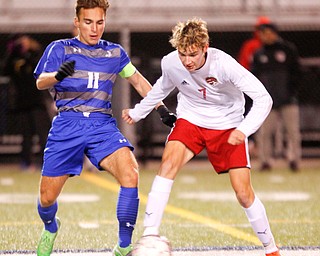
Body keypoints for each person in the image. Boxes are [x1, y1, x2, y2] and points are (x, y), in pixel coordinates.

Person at [122, 18, 281, 256]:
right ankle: (149, 236)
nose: (187, 61)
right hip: (191, 120)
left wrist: (244, 129)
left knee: (243, 193)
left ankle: (271, 248)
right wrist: (138, 112)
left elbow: (263, 98)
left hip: (228, 126)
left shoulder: (224, 64)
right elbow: (160, 90)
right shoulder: (172, 63)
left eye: (193, 54)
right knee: (167, 165)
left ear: (205, 47)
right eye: (182, 54)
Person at [33, 1, 176, 256]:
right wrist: (57, 76)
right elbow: (41, 82)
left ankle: (123, 247)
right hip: (67, 124)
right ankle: (51, 226)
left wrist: (161, 109)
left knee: (130, 173)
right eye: (88, 22)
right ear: (77, 22)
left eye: (100, 22)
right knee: (46, 198)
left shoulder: (115, 53)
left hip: (101, 125)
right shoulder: (60, 49)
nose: (94, 28)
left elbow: (138, 80)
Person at [252, 22, 301, 172]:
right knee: (265, 133)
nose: (265, 36)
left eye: (268, 32)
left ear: (274, 33)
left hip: (288, 100)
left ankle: (294, 159)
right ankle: (265, 161)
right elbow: (255, 77)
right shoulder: (259, 54)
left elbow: (297, 73)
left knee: (292, 131)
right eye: (262, 33)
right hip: (268, 102)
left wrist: (291, 93)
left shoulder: (288, 50)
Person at [3, 34, 51, 171]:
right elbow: (6, 70)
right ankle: (26, 163)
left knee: (43, 134)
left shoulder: (35, 56)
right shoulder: (15, 59)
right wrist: (12, 52)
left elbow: (42, 67)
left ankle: (46, 163)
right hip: (22, 103)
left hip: (37, 102)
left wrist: (30, 51)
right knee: (26, 136)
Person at [238, 16, 271, 157]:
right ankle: (250, 143)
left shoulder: (273, 46)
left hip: (268, 89)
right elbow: (243, 66)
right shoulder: (251, 45)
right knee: (248, 114)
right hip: (251, 88)